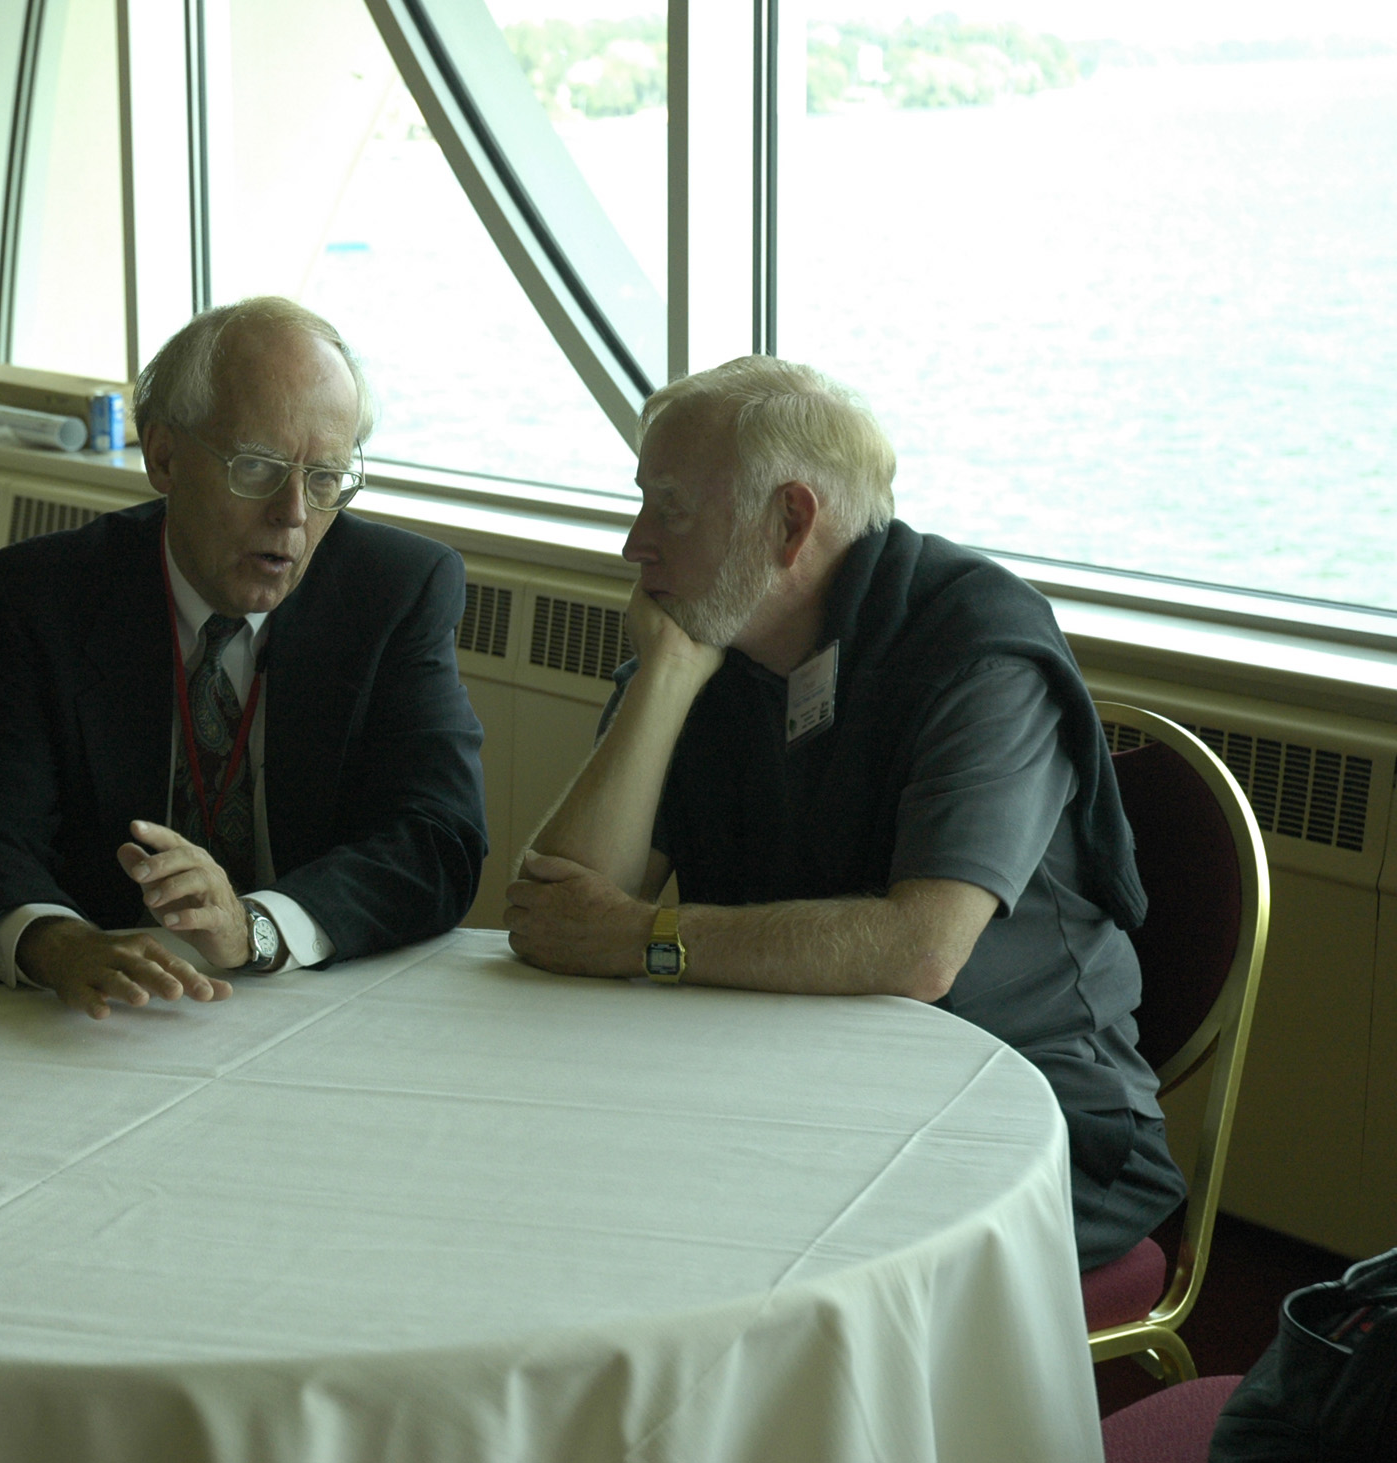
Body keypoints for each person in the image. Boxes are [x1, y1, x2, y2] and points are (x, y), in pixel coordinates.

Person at [504, 355, 1186, 1269]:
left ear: (790, 521)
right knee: (560, 1189)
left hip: (1029, 1119)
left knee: (702, 1250)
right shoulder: (713, 635)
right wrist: (663, 678)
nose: (635, 544)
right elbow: (558, 911)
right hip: (787, 1082)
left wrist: (642, 938)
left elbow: (920, 952)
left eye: (670, 508)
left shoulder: (976, 647)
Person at [0, 297, 489, 1019]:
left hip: (314, 995)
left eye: (324, 478)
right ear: (163, 456)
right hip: (105, 1012)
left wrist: (254, 926)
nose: (293, 513)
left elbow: (437, 839)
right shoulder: (44, 595)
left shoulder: (397, 589)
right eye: (257, 467)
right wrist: (58, 943)